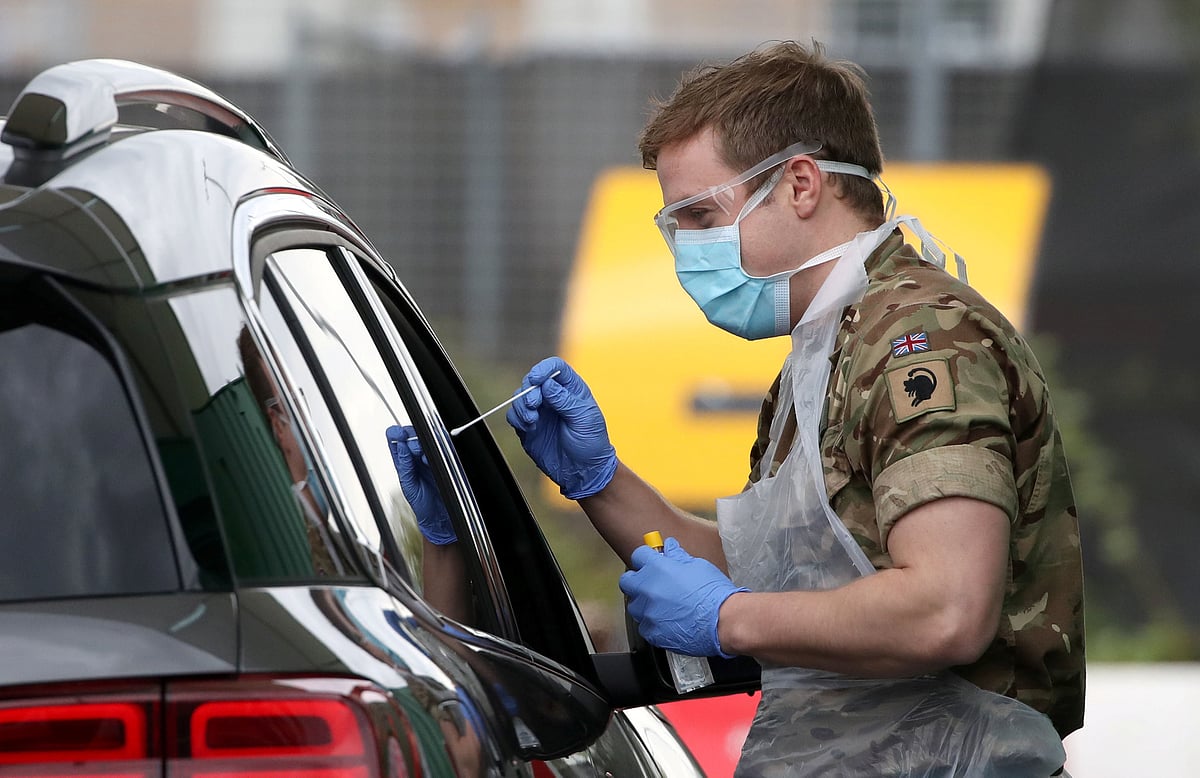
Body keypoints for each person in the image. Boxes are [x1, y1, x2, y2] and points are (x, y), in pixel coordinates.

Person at [505, 41, 1083, 775]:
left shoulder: (919, 342)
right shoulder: (828, 349)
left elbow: (945, 611)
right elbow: (777, 578)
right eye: (673, 224)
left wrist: (726, 619)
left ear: (801, 184)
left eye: (698, 214)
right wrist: (599, 480)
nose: (685, 245)